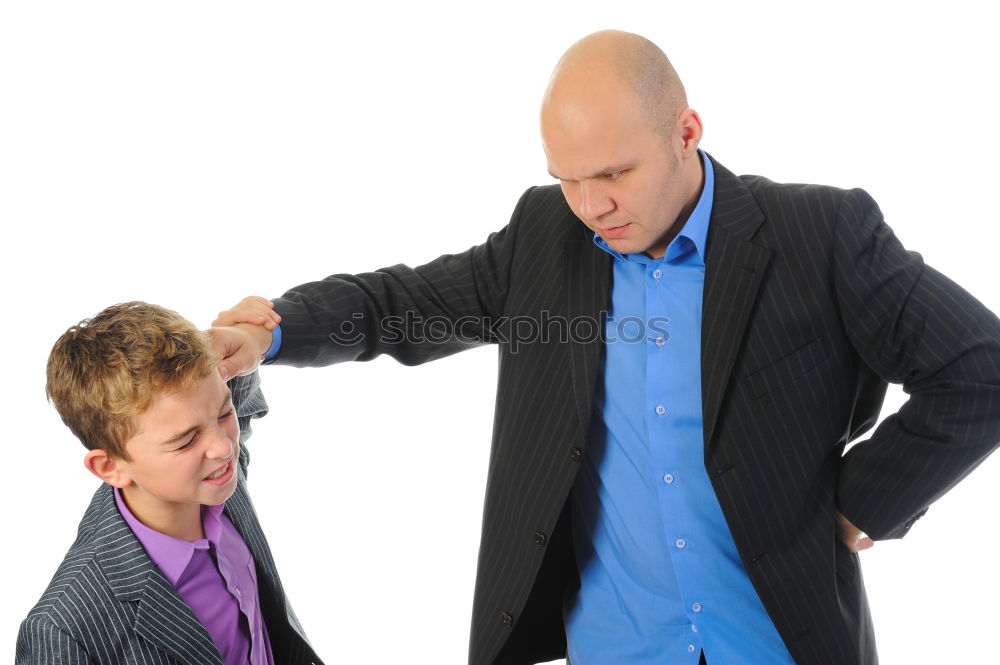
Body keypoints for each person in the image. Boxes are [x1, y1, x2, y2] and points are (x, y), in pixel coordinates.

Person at [209, 30, 1000, 665]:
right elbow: (404, 305)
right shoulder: (546, 238)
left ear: (687, 131)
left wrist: (866, 498)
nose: (593, 206)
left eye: (615, 173)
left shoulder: (818, 234)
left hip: (779, 641)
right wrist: (274, 329)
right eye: (569, 178)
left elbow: (979, 368)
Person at [16, 302, 323, 665]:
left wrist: (250, 333)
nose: (224, 447)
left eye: (224, 414)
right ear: (110, 466)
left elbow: (238, 373)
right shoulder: (64, 629)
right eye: (185, 441)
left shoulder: (210, 476)